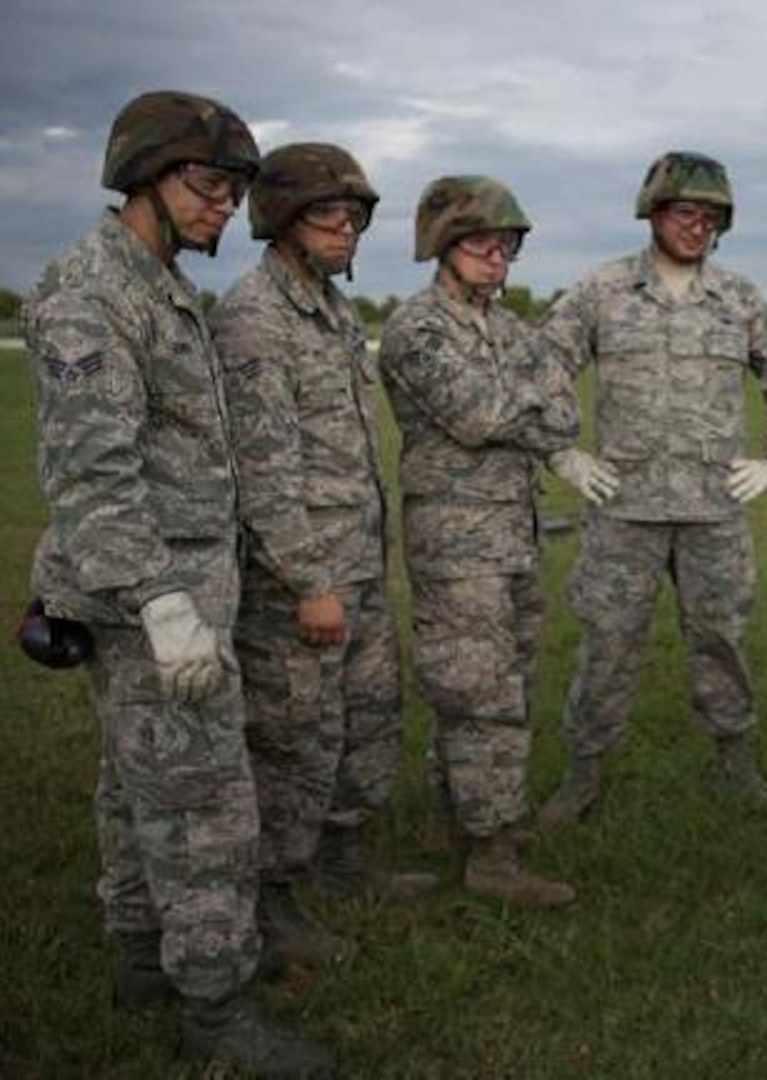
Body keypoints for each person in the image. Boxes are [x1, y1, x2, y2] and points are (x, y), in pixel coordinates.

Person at [25, 90, 333, 1074]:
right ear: (141, 179)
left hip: (178, 593)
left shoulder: (161, 287)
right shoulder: (94, 293)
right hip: (153, 603)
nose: (223, 207)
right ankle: (217, 1013)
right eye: (206, 184)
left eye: (235, 190)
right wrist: (161, 604)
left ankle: (141, 963)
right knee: (204, 809)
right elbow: (90, 473)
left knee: (135, 790)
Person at [535, 151, 767, 825]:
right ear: (654, 212)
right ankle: (584, 774)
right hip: (622, 511)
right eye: (686, 212)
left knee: (722, 641)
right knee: (608, 643)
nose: (698, 227)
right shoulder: (602, 292)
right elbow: (542, 366)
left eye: (712, 217)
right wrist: (561, 452)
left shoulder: (738, 298)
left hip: (714, 512)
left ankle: (735, 763)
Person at [213, 142, 436, 968]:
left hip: (358, 567)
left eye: (355, 216)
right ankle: (271, 901)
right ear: (280, 218)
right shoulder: (254, 318)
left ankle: (346, 861)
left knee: (368, 723)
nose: (347, 229)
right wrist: (310, 583)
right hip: (300, 581)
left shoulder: (333, 309)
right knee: (294, 740)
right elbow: (265, 475)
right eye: (327, 214)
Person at [380, 176, 579, 907]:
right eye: (480, 244)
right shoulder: (417, 329)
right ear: (441, 246)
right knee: (479, 692)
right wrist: (527, 401)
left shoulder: (508, 327)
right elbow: (475, 413)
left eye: (508, 245)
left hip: (514, 534)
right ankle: (492, 854)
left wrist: (525, 403)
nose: (497, 258)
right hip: (457, 544)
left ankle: (457, 820)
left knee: (506, 682)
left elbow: (563, 414)